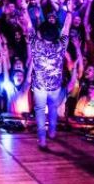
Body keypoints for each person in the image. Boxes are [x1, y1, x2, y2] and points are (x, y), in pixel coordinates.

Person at [29, 8, 73, 150]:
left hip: (40, 85)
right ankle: (52, 132)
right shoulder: (60, 46)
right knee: (53, 107)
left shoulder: (36, 44)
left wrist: (24, 9)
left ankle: (42, 140)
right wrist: (70, 13)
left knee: (40, 110)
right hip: (55, 86)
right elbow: (66, 29)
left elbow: (29, 27)